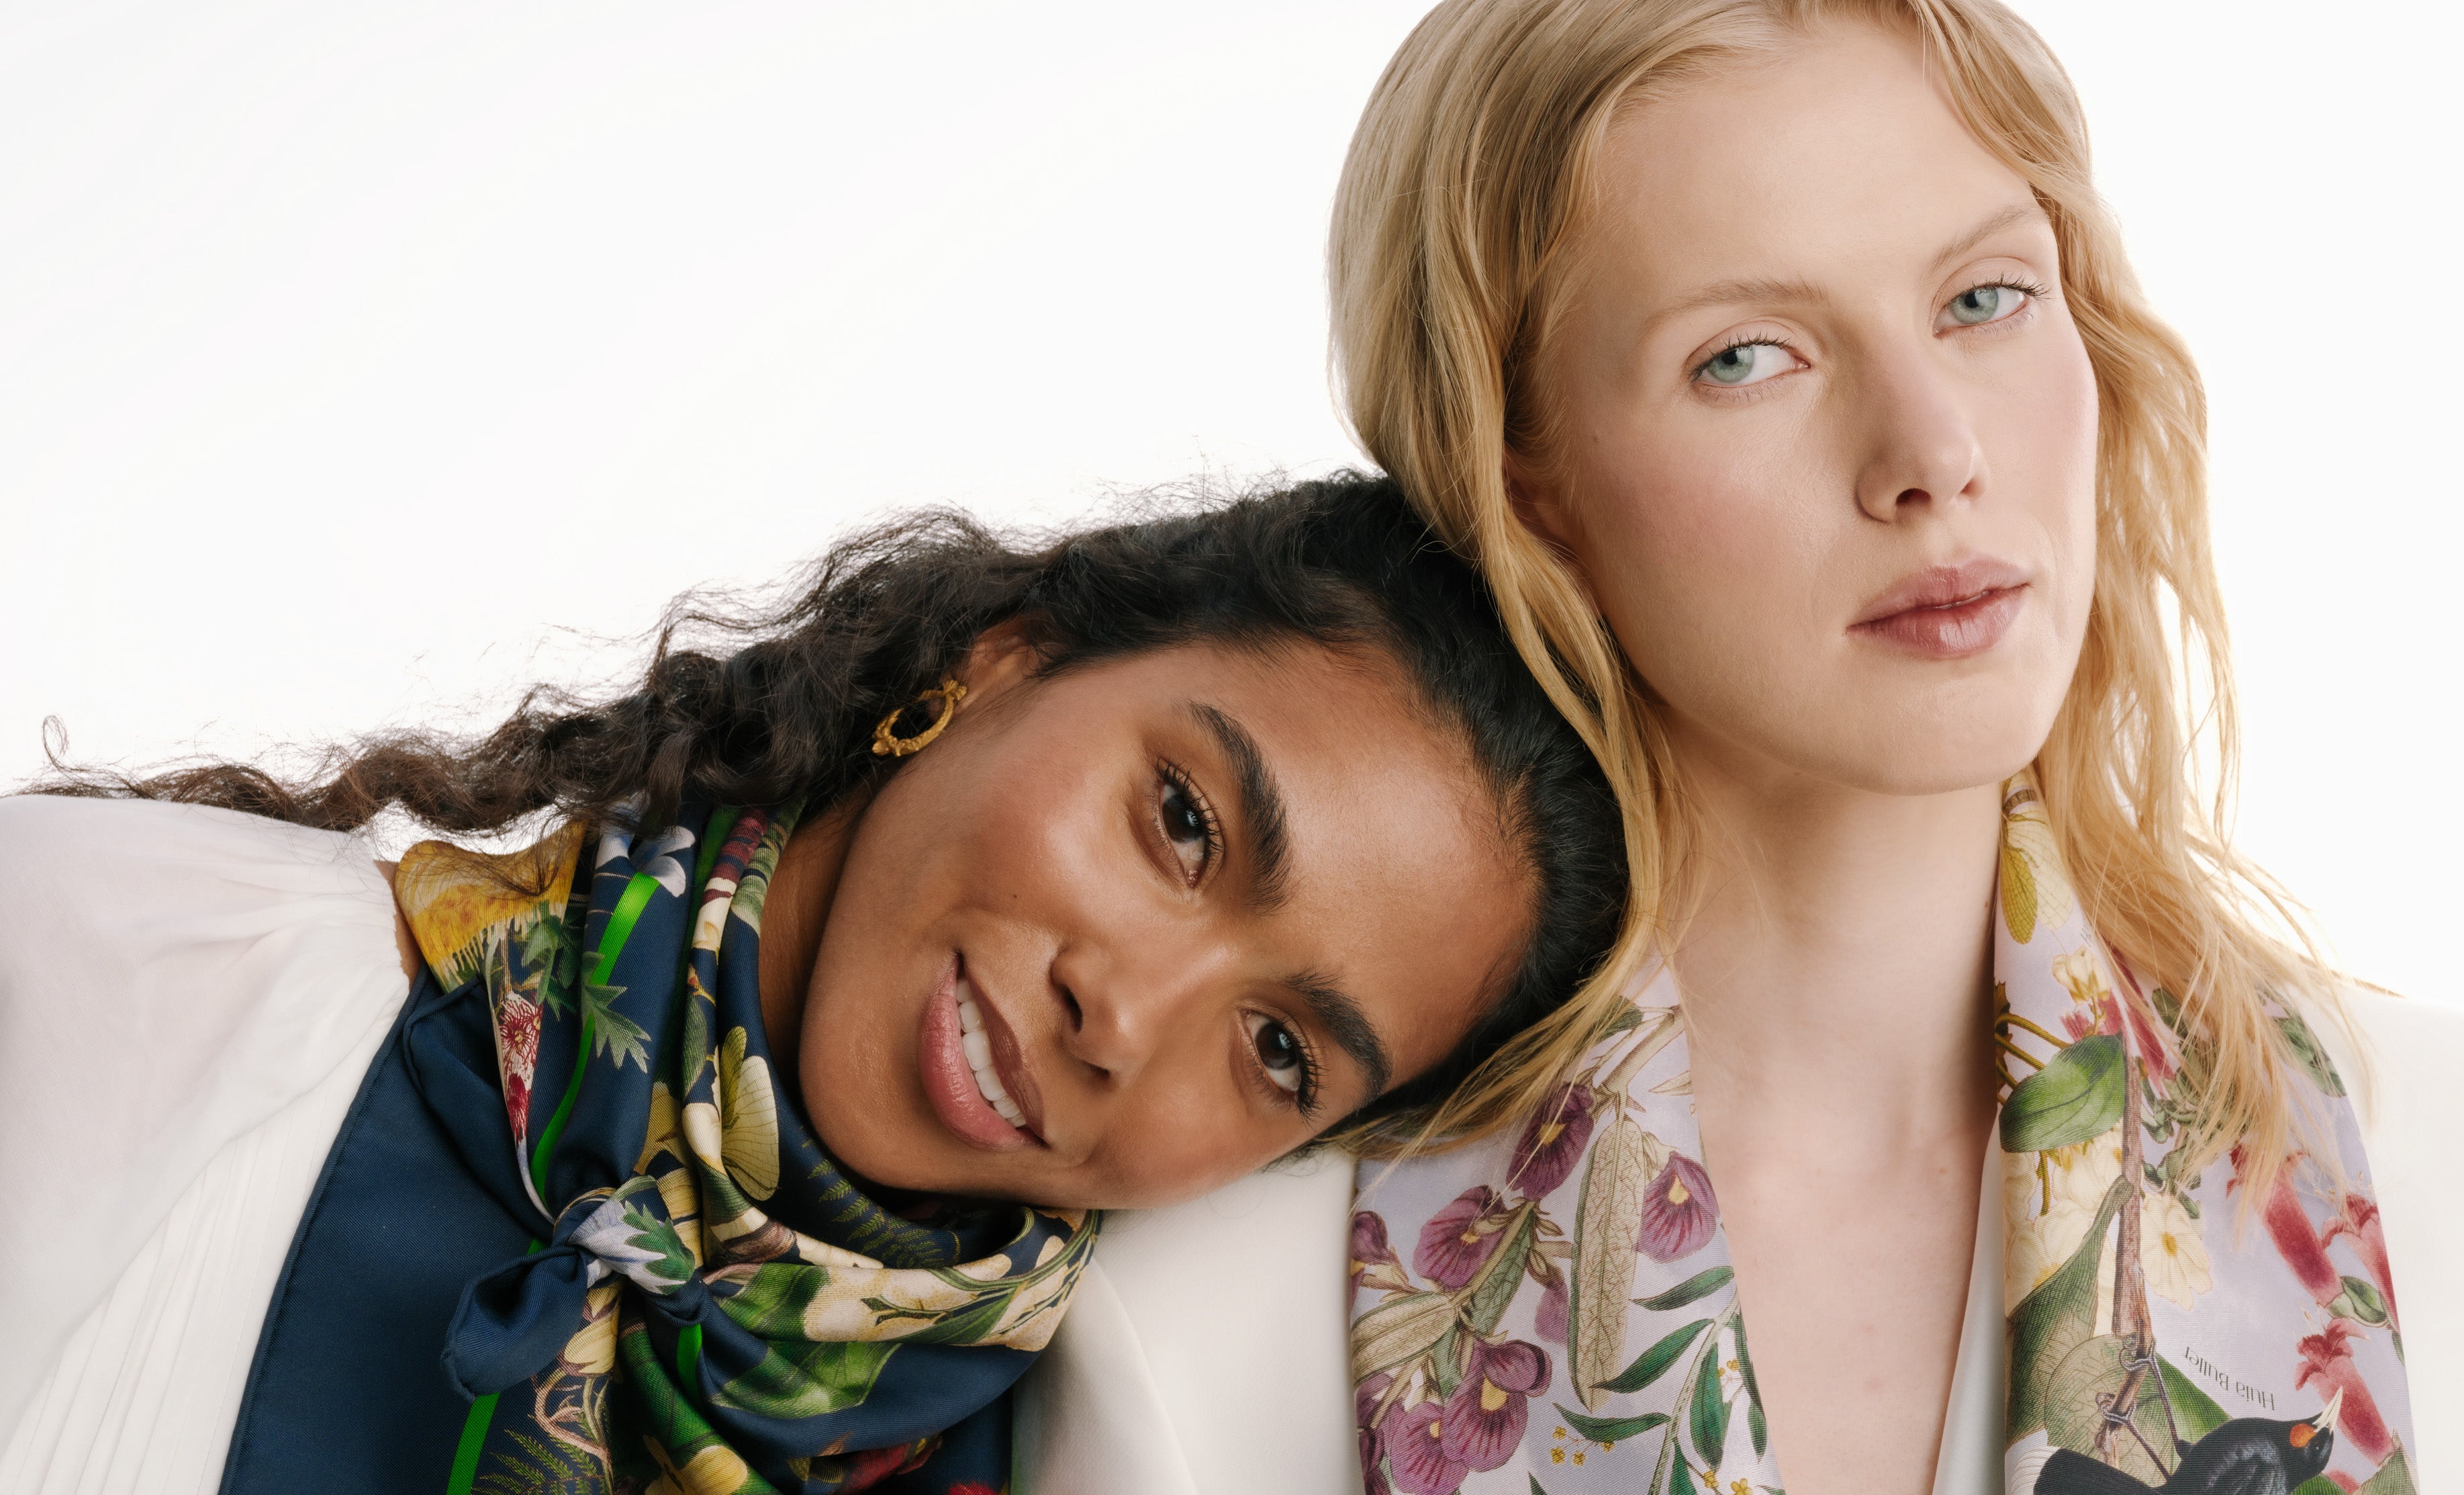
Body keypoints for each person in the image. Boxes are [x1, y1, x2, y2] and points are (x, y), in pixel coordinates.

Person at [1016, 0, 2464, 1494]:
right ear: (1517, 482)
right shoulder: (1207, 1323)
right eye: (1747, 357)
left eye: (1983, 300)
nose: (1930, 449)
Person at [0, 474, 1627, 1493]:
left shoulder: (1108, 1448)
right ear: (1002, 657)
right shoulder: (129, 971)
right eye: (1181, 822)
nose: (1124, 1018)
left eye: (1278, 1049)